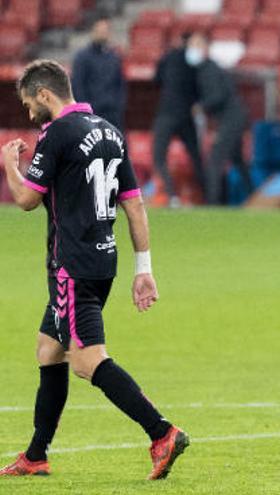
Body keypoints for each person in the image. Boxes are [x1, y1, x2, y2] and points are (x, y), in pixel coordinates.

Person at [0, 60, 188, 480]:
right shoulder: (109, 131)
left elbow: (27, 200)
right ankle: (35, 455)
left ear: (47, 95)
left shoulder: (57, 133)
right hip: (104, 260)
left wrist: (8, 164)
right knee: (49, 349)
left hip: (72, 267)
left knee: (86, 361)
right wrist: (145, 268)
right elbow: (135, 204)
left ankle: (162, 433)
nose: (31, 116)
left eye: (32, 105)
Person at [186, 32, 253, 205]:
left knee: (215, 161)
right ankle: (253, 197)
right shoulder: (205, 69)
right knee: (237, 160)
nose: (192, 49)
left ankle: (212, 204)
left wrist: (201, 106)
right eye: (191, 45)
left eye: (197, 45)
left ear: (206, 48)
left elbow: (218, 96)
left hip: (231, 118)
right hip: (234, 117)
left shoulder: (209, 70)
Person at [152, 33, 206, 207]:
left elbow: (156, 79)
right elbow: (200, 88)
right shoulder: (195, 63)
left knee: (159, 156)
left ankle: (171, 194)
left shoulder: (168, 57)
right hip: (185, 114)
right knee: (196, 157)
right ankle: (209, 197)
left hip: (167, 112)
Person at [71, 15, 127, 130]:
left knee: (119, 146)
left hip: (113, 114)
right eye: (100, 30)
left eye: (106, 30)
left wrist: (118, 105)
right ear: (92, 31)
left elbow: (120, 84)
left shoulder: (114, 57)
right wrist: (86, 110)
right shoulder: (82, 57)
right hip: (91, 114)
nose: (103, 33)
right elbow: (78, 86)